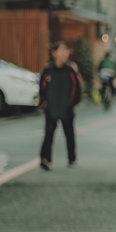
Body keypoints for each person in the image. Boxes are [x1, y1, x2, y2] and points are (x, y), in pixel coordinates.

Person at [39, 41, 83, 170]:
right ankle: (45, 159)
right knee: (48, 133)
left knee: (69, 134)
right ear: (54, 53)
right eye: (61, 50)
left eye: (66, 50)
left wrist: (71, 103)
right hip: (51, 108)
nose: (65, 53)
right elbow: (42, 88)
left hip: (67, 109)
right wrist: (44, 101)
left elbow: (77, 89)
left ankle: (72, 158)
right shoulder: (48, 70)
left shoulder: (71, 70)